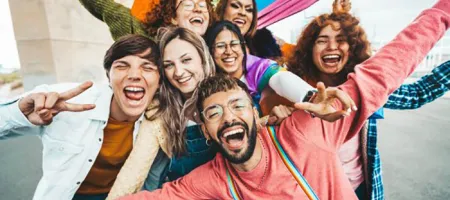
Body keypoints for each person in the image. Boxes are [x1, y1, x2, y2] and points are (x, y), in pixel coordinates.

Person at [118, 1, 450, 198]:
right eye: (214, 113)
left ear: (254, 109)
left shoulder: (308, 127)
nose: (229, 116)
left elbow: (388, 66)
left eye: (237, 106)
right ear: (205, 130)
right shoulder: (211, 176)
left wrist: (443, 10)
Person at [259, 1, 450, 199]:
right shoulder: (292, 90)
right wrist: (275, 117)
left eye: (341, 39)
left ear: (352, 48)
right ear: (309, 49)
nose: (332, 46)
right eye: (322, 40)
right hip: (312, 191)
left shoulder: (363, 90)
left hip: (360, 189)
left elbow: (418, 94)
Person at [0, 35, 162, 200]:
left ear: (159, 81)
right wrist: (20, 113)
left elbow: (153, 178)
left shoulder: (160, 122)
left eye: (147, 67)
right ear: (109, 76)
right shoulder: (65, 100)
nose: (134, 74)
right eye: (122, 66)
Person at [205, 21, 349, 123]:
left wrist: (311, 97)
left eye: (234, 44)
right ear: (210, 51)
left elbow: (280, 79)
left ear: (243, 48)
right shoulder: (207, 80)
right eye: (220, 46)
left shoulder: (259, 68)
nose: (229, 51)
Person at [78, 0, 215, 40]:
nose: (197, 9)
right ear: (173, 17)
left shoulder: (217, 48)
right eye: (188, 4)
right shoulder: (138, 32)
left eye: (203, 6)